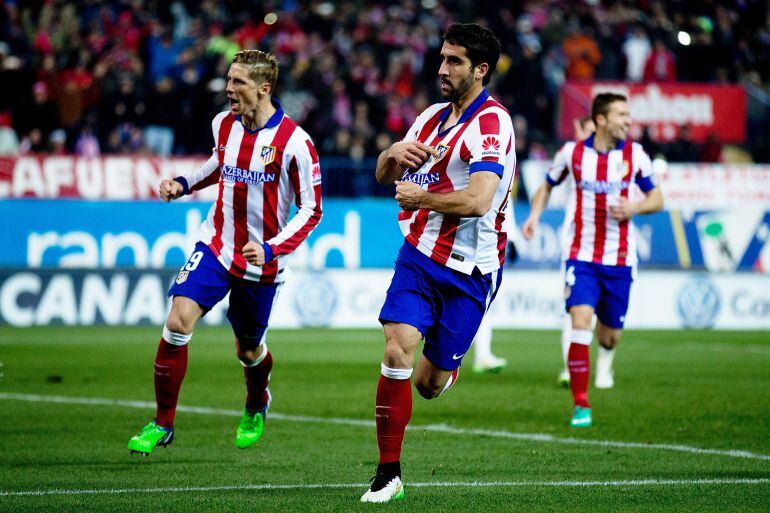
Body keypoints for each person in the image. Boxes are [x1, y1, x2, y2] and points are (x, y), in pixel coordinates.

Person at [126, 49, 323, 455]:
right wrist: (184, 183)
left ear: (264, 88)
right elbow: (219, 164)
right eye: (228, 80)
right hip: (216, 244)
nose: (228, 89)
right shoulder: (224, 124)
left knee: (248, 350)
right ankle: (162, 423)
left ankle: (257, 400)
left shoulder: (295, 143)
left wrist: (271, 248)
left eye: (238, 82)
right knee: (178, 320)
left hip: (259, 261)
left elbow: (312, 210)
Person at [360, 23, 515, 503]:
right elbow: (386, 175)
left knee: (428, 384)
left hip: (472, 268)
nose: (442, 68)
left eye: (454, 61)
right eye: (442, 57)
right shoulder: (428, 117)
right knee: (396, 348)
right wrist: (391, 153)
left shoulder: (492, 124)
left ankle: (447, 367)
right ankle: (388, 474)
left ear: (480, 70)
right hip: (420, 254)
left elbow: (478, 201)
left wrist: (422, 195)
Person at [523, 93, 663, 428]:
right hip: (580, 256)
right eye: (622, 115)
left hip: (620, 261)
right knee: (579, 320)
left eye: (629, 115)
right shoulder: (572, 154)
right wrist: (534, 216)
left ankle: (602, 353)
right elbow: (546, 184)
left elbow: (657, 197)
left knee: (608, 337)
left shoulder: (636, 155)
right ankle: (580, 404)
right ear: (600, 120)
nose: (628, 121)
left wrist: (634, 207)